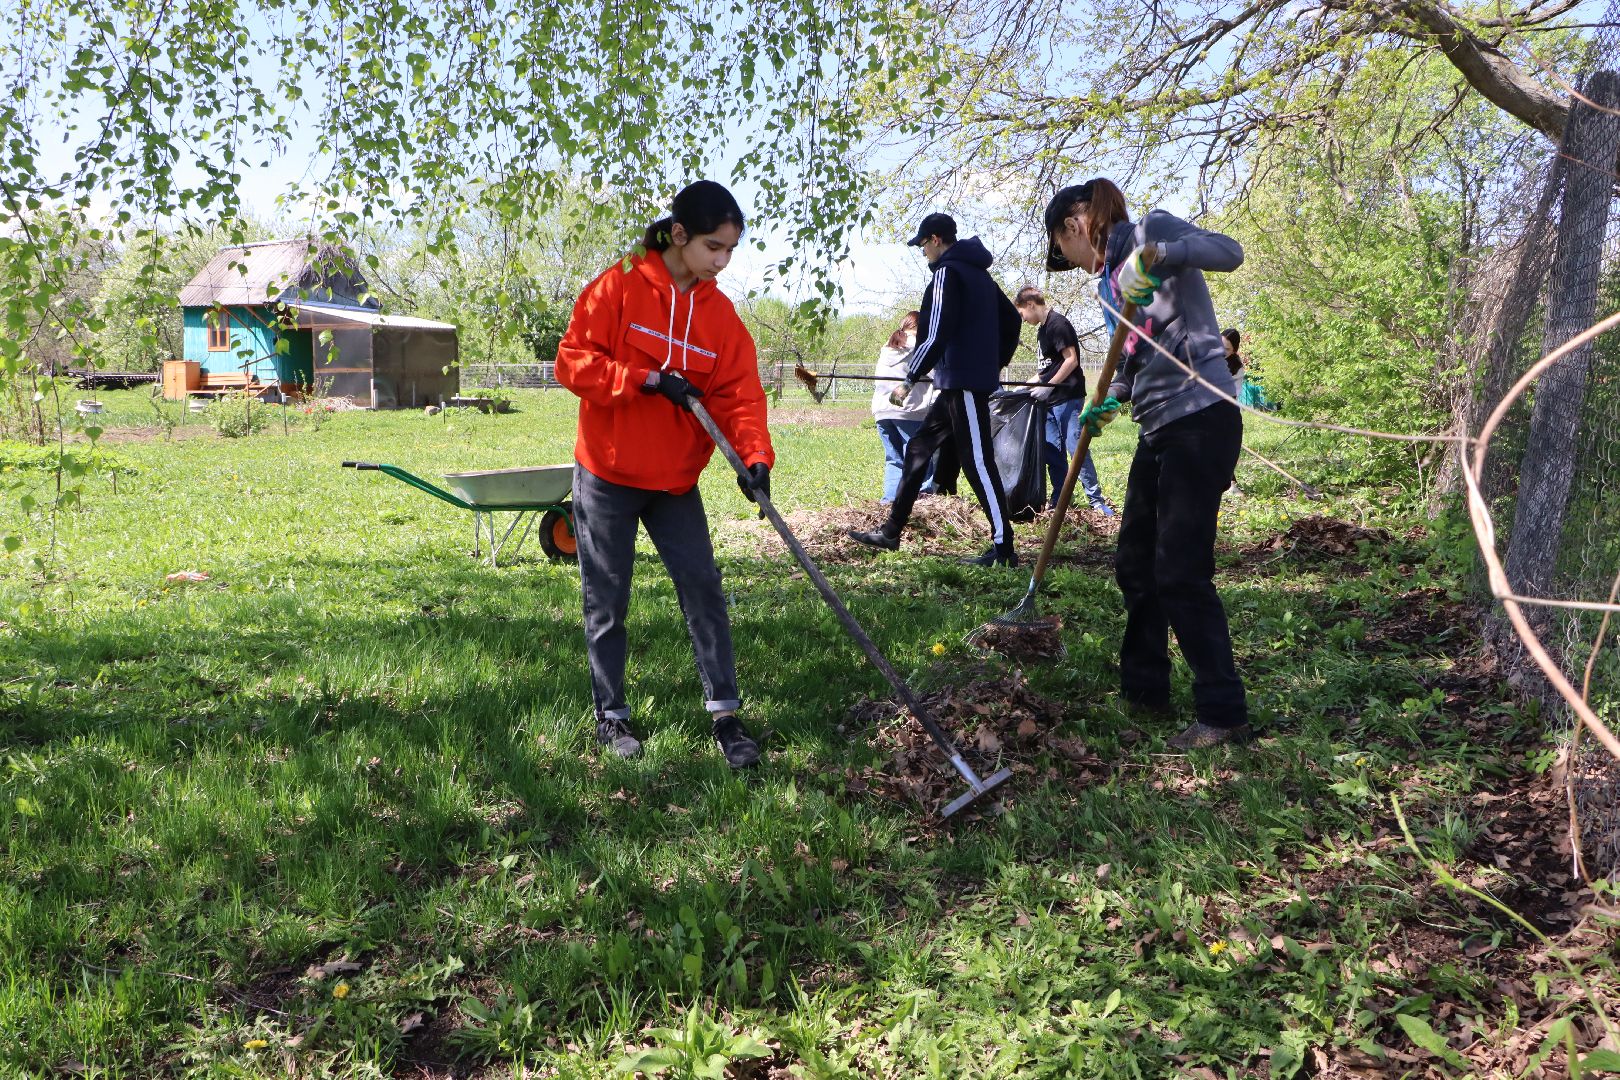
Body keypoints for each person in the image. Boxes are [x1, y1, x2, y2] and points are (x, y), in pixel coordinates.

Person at [554, 180, 773, 769]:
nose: (722, 261)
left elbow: (740, 395)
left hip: (675, 481)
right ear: (679, 235)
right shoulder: (617, 285)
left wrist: (755, 458)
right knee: (608, 598)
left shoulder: (720, 314)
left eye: (730, 250)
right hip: (609, 472)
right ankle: (612, 716)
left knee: (703, 587)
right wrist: (645, 379)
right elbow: (572, 363)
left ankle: (726, 715)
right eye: (712, 247)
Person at [1044, 178, 1252, 750]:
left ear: (1075, 224)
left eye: (1066, 252)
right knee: (1135, 561)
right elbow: (1135, 359)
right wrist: (1113, 399)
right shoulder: (1110, 288)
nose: (1073, 263)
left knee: (1179, 570)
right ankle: (1144, 691)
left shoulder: (1150, 231)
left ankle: (1223, 712)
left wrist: (1162, 255)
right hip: (1158, 426)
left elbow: (1228, 252)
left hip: (1202, 418)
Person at [848, 213, 1022, 566]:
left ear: (937, 239)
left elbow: (936, 333)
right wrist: (997, 361)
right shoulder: (981, 276)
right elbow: (1013, 319)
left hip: (965, 384)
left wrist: (910, 376)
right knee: (918, 447)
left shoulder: (948, 273)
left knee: (979, 464)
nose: (923, 252)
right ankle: (892, 531)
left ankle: (1004, 550)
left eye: (923, 245)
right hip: (955, 385)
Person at [1015, 285, 1116, 516]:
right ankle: (1060, 499)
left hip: (1067, 397)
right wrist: (1025, 387)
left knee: (1075, 447)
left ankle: (1096, 500)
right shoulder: (1042, 331)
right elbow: (1046, 370)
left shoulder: (1058, 325)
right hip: (1049, 401)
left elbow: (1071, 361)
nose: (1023, 319)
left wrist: (1048, 387)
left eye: (1022, 314)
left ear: (1030, 305)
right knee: (1053, 451)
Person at [870, 311, 936, 502]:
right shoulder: (920, 346)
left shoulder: (889, 346)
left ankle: (890, 501)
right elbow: (936, 374)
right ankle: (923, 500)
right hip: (909, 411)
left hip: (882, 411)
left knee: (894, 459)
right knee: (919, 456)